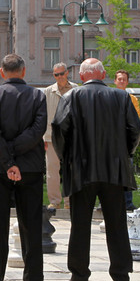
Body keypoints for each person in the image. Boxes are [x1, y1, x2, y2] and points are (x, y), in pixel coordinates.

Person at [52, 58, 140, 281]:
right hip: (114, 168)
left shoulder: (71, 97)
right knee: (117, 224)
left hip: (81, 168)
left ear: (82, 77)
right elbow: (135, 129)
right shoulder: (122, 97)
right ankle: (121, 277)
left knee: (80, 224)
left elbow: (60, 128)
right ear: (103, 75)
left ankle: (79, 278)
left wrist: (66, 158)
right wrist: (125, 153)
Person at [0, 53, 47, 281]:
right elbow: (38, 131)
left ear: (1, 71)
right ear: (24, 71)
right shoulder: (38, 95)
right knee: (31, 224)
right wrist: (16, 159)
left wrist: (7, 161)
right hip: (30, 166)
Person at [43, 62, 78, 209]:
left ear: (67, 73)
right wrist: (43, 137)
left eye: (62, 73)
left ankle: (70, 202)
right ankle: (55, 201)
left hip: (72, 136)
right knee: (52, 170)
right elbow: (42, 115)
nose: (59, 77)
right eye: (56, 75)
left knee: (71, 169)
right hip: (51, 137)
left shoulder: (76, 89)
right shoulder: (47, 91)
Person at [113, 69, 140, 210]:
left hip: (125, 143)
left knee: (127, 173)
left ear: (127, 82)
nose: (122, 81)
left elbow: (134, 121)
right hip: (111, 142)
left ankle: (128, 203)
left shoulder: (133, 99)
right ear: (115, 81)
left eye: (124, 79)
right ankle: (105, 202)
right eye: (119, 79)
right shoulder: (109, 97)